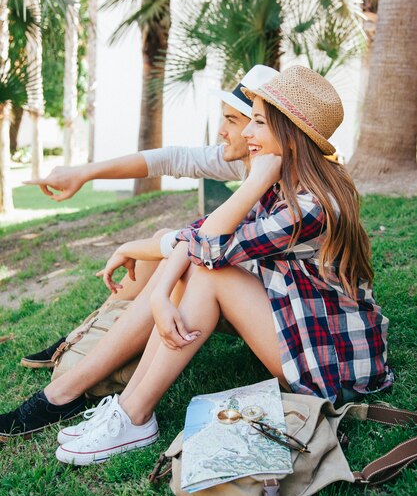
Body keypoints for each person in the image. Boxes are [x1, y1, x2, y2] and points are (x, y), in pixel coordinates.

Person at [47, 64, 392, 465]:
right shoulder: (284, 184)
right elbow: (198, 236)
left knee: (213, 276)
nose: (246, 133)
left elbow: (210, 248)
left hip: (334, 365)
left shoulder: (312, 205)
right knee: (199, 271)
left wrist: (251, 182)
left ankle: (135, 415)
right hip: (300, 333)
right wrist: (160, 292)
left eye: (258, 122)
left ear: (290, 137)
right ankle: (127, 408)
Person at [0, 65, 276, 439]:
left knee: (182, 261)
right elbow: (168, 160)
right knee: (167, 247)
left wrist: (136, 247)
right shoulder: (249, 161)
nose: (225, 131)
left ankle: (74, 390)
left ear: (268, 128)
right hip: (248, 292)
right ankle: (86, 340)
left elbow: (206, 246)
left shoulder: (283, 186)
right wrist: (85, 172)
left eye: (236, 120)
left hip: (270, 311)